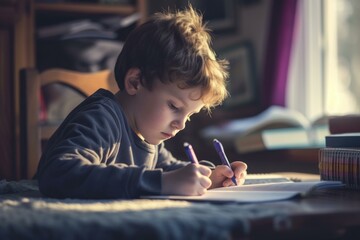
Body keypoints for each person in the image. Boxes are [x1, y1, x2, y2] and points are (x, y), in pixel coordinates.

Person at [37, 5, 248, 199]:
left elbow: (170, 169)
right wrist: (161, 183)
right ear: (135, 82)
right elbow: (59, 173)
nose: (181, 124)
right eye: (174, 107)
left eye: (189, 115)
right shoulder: (101, 118)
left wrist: (209, 175)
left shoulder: (146, 133)